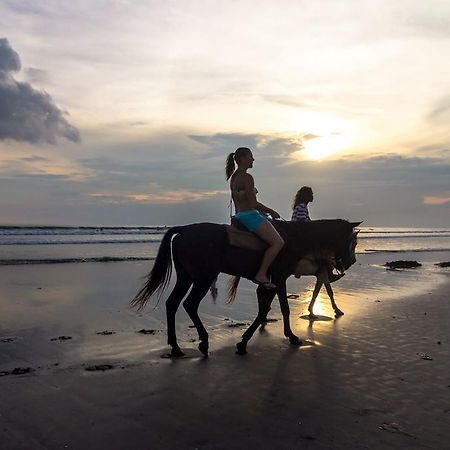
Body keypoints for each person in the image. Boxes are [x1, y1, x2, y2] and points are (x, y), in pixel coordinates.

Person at [226, 147, 284, 289]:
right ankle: (261, 273)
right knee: (278, 242)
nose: (253, 159)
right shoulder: (247, 177)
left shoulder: (234, 176)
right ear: (242, 159)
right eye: (250, 157)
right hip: (250, 215)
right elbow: (253, 203)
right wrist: (272, 211)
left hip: (239, 215)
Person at [291, 186, 344, 282]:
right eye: (311, 194)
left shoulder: (301, 206)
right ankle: (327, 272)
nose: (312, 196)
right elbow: (302, 224)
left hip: (299, 233)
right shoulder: (302, 207)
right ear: (306, 196)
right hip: (299, 234)